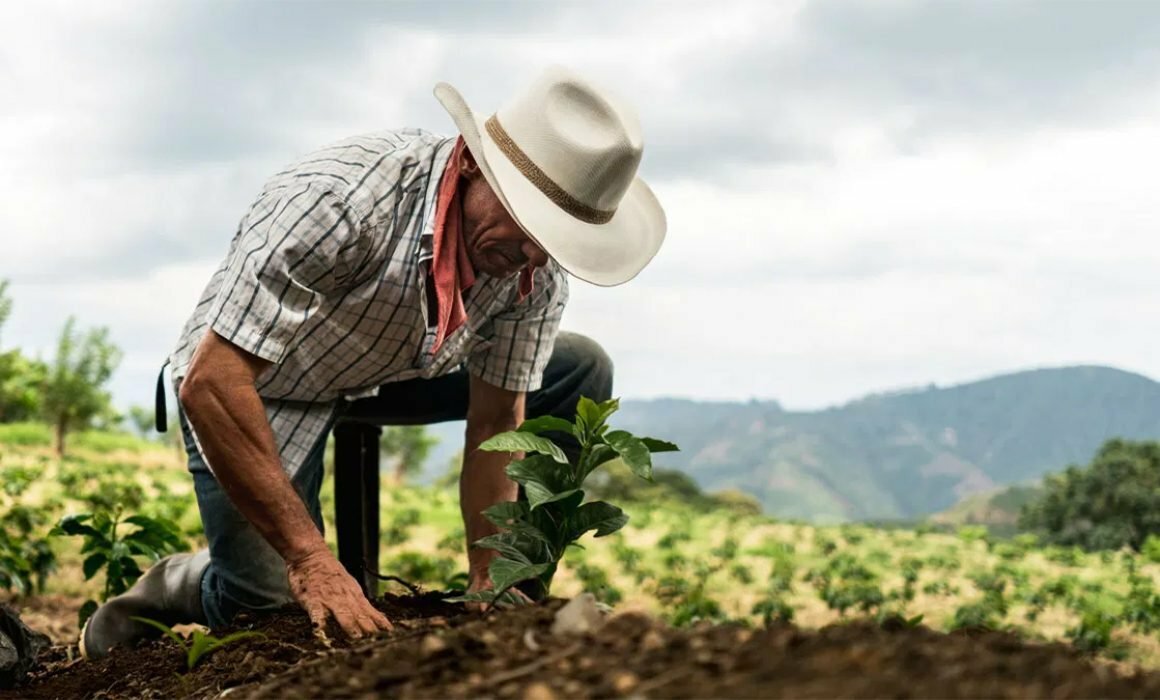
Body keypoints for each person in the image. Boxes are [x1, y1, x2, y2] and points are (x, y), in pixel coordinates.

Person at [79, 65, 666, 660]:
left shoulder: (532, 270)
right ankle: (179, 582)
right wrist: (310, 557)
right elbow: (212, 381)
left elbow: (497, 422)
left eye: (556, 237)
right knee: (267, 608)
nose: (533, 256)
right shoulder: (341, 201)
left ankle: (518, 598)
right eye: (530, 223)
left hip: (396, 369)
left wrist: (491, 574)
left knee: (580, 368)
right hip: (264, 381)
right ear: (469, 164)